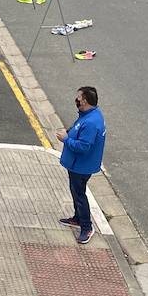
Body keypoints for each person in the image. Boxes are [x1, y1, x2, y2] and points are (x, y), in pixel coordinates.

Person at [55, 86, 105, 245]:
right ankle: (77, 218)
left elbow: (84, 147)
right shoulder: (90, 115)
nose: (76, 99)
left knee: (79, 195)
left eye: (79, 97)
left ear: (85, 101)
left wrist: (66, 139)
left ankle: (86, 227)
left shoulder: (90, 122)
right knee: (76, 192)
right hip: (78, 165)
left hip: (81, 166)